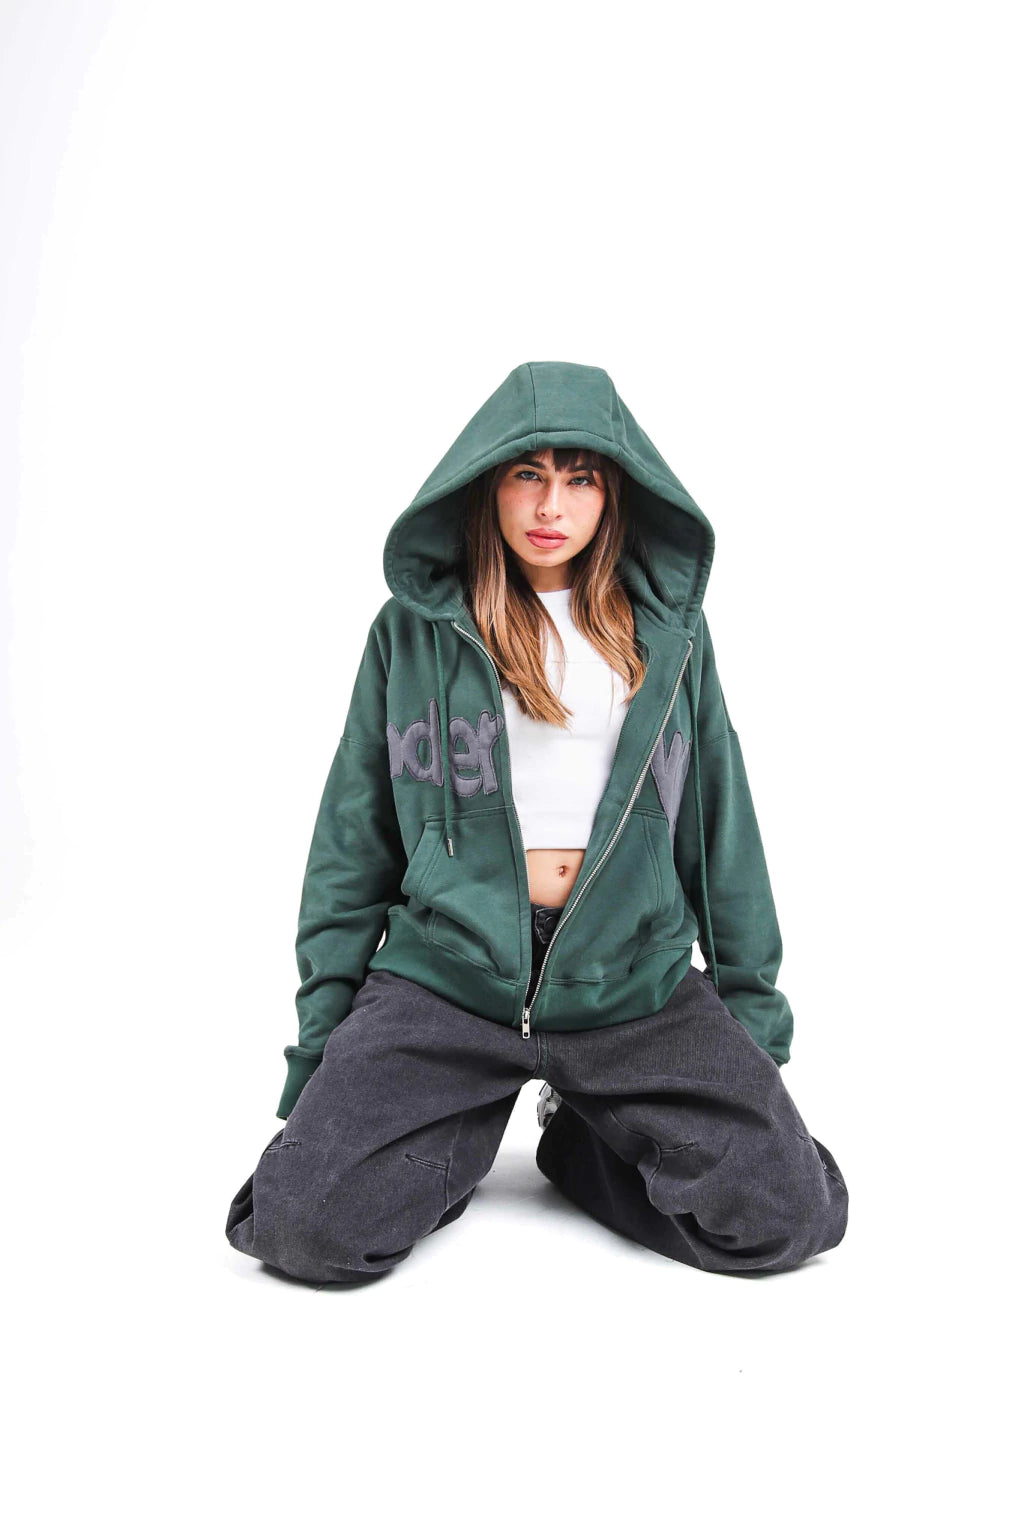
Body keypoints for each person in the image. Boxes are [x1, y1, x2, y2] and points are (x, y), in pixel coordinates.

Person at [225, 359, 849, 1284]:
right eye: (528, 473)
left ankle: (577, 1138)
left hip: (630, 982)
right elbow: (352, 840)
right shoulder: (412, 630)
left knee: (787, 1217)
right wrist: (321, 1046)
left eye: (580, 478)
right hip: (448, 980)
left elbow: (719, 826)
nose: (551, 503)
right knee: (301, 1228)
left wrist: (750, 1029)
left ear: (613, 496)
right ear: (488, 484)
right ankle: (456, 1136)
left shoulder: (668, 634)